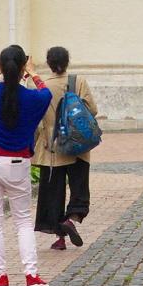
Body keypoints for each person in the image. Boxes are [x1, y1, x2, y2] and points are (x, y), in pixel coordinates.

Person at [0, 44, 53, 286]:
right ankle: (31, 276)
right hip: (17, 164)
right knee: (22, 222)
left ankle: (0, 279)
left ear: (1, 66)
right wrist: (32, 73)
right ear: (22, 67)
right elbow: (47, 93)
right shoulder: (32, 98)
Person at [33, 45, 95, 251]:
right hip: (77, 146)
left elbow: (36, 117)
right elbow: (92, 110)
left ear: (48, 63)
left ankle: (60, 238)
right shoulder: (78, 81)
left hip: (50, 146)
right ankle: (72, 219)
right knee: (79, 188)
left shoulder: (42, 86)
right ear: (67, 62)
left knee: (53, 193)